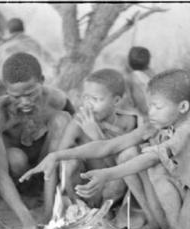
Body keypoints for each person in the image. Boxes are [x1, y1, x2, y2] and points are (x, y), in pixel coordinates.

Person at [22, 69, 190, 229]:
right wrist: (57, 156)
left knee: (154, 169)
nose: (151, 112)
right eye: (150, 106)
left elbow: (149, 158)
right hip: (173, 199)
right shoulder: (154, 126)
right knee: (141, 162)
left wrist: (107, 174)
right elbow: (108, 147)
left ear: (183, 108)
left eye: (158, 107)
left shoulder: (189, 129)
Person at [0, 52, 74, 229]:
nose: (25, 102)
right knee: (15, 157)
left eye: (31, 93)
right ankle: (26, 199)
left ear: (42, 80)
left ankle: (49, 207)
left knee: (63, 120)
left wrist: (48, 217)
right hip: (17, 177)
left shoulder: (56, 99)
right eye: (16, 96)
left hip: (47, 169)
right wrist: (27, 220)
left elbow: (77, 133)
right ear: (5, 89)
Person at [47, 68, 138, 209]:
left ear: (116, 100)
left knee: (120, 176)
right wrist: (48, 211)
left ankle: (107, 212)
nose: (88, 105)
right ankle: (79, 207)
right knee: (68, 162)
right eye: (86, 98)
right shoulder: (79, 122)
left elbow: (123, 166)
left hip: (111, 188)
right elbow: (57, 161)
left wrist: (97, 136)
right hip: (83, 189)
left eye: (96, 99)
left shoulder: (128, 123)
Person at [0, 18, 56, 86]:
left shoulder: (3, 49)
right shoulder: (34, 43)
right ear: (23, 29)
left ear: (8, 31)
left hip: (13, 86)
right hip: (38, 83)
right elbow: (51, 62)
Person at [123, 46, 155, 116]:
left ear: (129, 62)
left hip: (141, 112)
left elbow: (130, 101)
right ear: (148, 62)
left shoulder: (130, 78)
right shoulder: (152, 75)